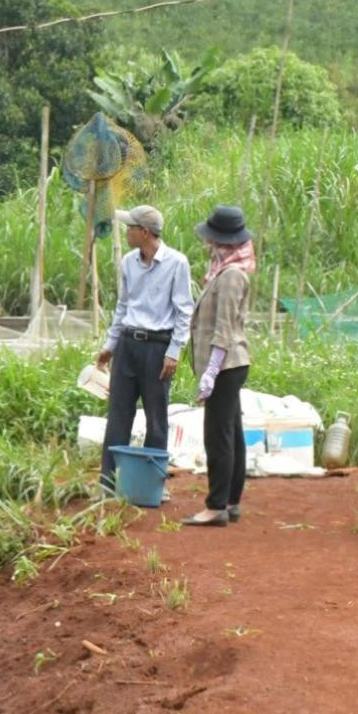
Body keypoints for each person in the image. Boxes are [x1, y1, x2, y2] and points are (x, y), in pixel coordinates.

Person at [95, 204, 194, 495]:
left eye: (130, 228)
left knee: (156, 416)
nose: (126, 233)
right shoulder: (128, 262)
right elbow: (123, 306)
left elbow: (183, 311)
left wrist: (174, 351)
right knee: (118, 415)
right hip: (128, 344)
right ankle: (108, 482)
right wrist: (110, 346)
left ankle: (153, 483)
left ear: (145, 232)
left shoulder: (177, 263)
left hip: (158, 348)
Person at [185, 205, 255, 527]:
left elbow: (223, 329)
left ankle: (216, 507)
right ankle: (231, 500)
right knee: (231, 433)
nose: (207, 243)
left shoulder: (230, 277)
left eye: (211, 238)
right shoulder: (225, 271)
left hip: (226, 364)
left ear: (220, 241)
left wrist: (211, 371)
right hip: (230, 364)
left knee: (218, 435)